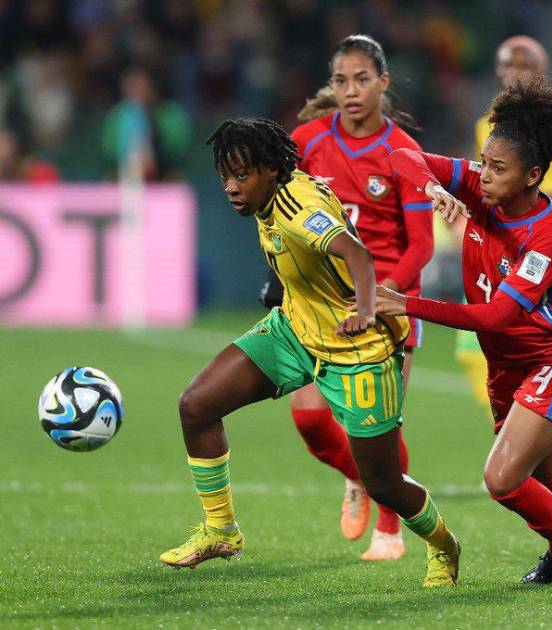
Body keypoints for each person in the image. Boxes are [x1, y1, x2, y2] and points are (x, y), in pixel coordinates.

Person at [159, 117, 460, 587]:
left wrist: (365, 311)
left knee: (383, 483)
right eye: (225, 176)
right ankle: (221, 530)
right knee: (196, 406)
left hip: (356, 347)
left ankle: (444, 544)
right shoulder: (267, 199)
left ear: (271, 171)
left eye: (242, 175)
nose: (231, 187)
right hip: (295, 332)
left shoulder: (298, 207)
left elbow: (357, 254)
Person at [372, 77, 552, 590]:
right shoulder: (478, 184)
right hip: (504, 364)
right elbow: (401, 155)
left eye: (498, 168)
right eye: (483, 162)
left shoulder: (547, 235)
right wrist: (432, 186)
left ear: (533, 176)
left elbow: (497, 316)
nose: (484, 175)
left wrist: (407, 304)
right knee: (542, 472)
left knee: (502, 479)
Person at [260, 34, 434, 561]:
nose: (351, 90)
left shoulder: (404, 153)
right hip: (320, 301)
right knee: (312, 422)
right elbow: (279, 214)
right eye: (341, 81)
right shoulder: (307, 141)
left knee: (379, 427)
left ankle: (390, 530)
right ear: (331, 86)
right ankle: (359, 477)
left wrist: (380, 296)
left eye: (362, 79)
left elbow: (421, 245)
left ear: (383, 82)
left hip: (387, 301)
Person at [455, 35, 552, 492]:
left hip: (548, 258)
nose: (515, 73)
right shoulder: (487, 127)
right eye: (508, 65)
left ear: (541, 72)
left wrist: (539, 198)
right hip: (499, 260)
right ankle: (524, 447)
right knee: (474, 353)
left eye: (525, 65)